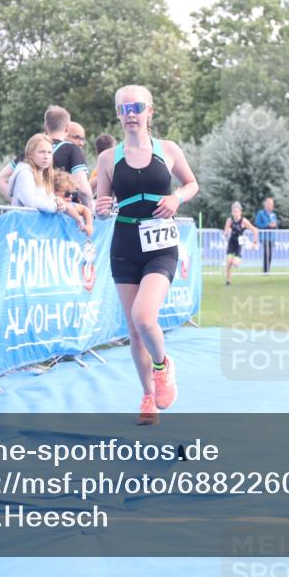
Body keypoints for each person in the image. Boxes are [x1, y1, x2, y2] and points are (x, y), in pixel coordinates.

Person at [94, 85, 198, 425]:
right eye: (124, 108)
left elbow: (191, 184)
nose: (131, 113)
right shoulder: (108, 158)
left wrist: (176, 199)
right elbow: (101, 207)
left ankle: (162, 364)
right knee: (135, 332)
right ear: (118, 115)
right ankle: (148, 397)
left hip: (160, 246)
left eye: (137, 106)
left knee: (144, 316)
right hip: (125, 245)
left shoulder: (167, 150)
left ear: (150, 110)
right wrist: (102, 208)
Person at [223, 201, 259, 286]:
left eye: (237, 211)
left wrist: (254, 242)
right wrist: (226, 233)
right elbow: (226, 231)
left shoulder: (244, 221)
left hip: (240, 243)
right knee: (228, 262)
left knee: (235, 263)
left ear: (240, 212)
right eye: (234, 211)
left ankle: (237, 261)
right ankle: (228, 281)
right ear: (232, 212)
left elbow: (255, 230)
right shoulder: (229, 220)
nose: (235, 213)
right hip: (231, 242)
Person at [53, 169, 94, 236]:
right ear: (54, 191)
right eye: (67, 193)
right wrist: (79, 221)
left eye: (73, 194)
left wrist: (89, 225)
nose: (71, 196)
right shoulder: (46, 202)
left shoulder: (70, 204)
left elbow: (85, 209)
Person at [254, 197, 278, 273]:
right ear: (266, 204)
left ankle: (267, 270)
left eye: (272, 204)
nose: (272, 205)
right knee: (266, 253)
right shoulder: (260, 213)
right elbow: (257, 224)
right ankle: (265, 270)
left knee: (270, 254)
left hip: (271, 237)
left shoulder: (273, 214)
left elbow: (276, 225)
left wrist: (274, 226)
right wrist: (267, 225)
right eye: (270, 204)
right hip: (264, 237)